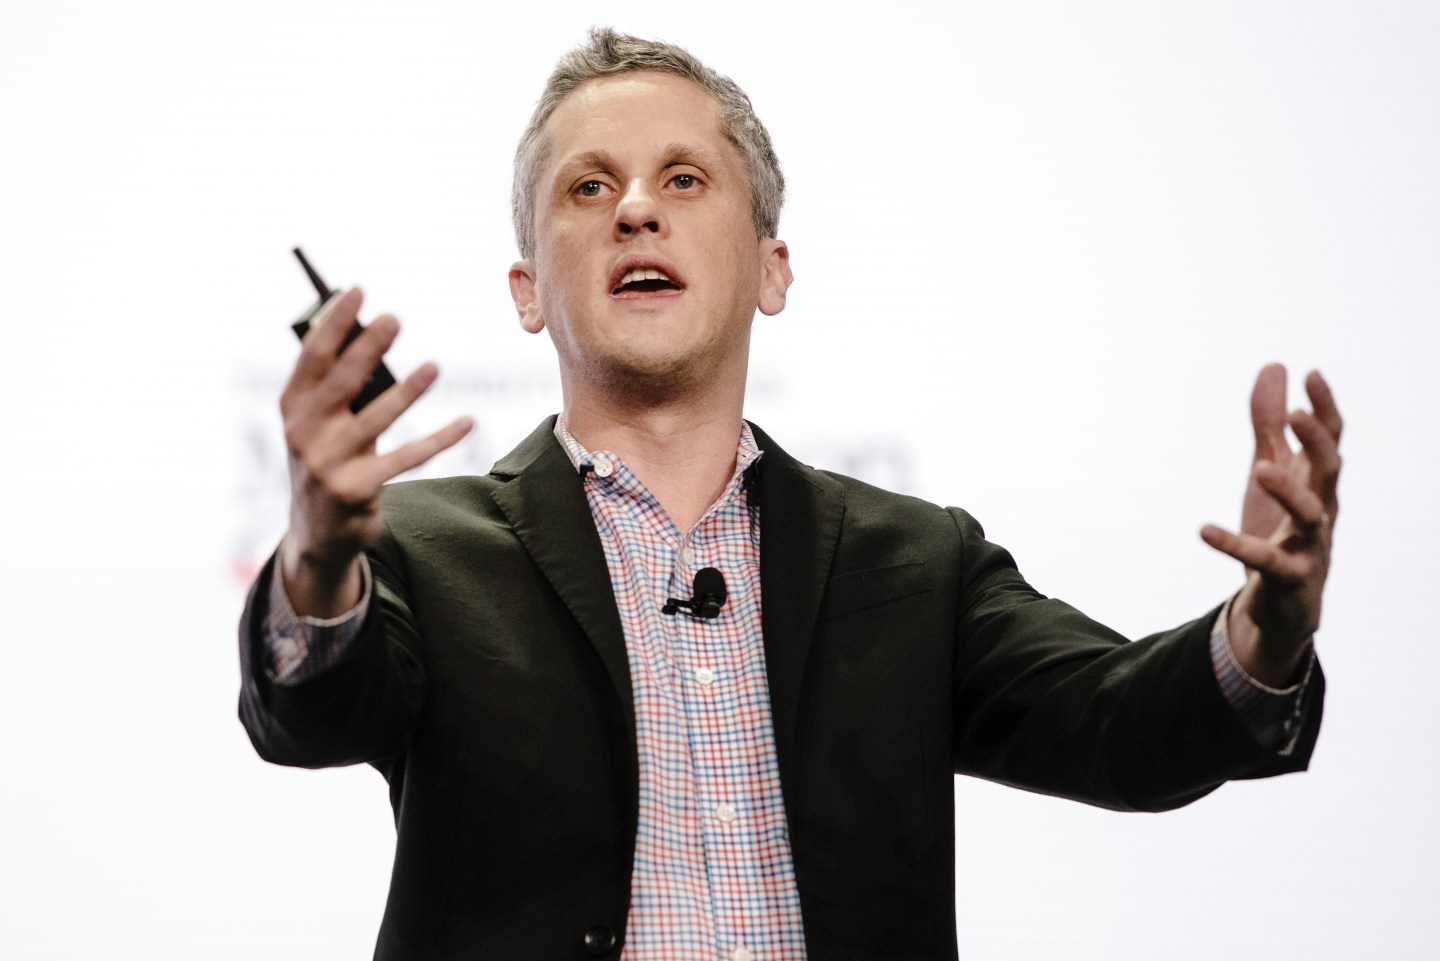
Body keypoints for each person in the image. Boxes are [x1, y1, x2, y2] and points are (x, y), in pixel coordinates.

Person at [239, 27, 1341, 961]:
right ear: (528, 291)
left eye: (684, 179)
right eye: (589, 186)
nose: (636, 210)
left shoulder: (914, 564)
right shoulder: (417, 549)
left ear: (772, 267)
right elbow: (309, 714)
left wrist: (1265, 628)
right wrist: (320, 559)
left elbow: (1125, 729)